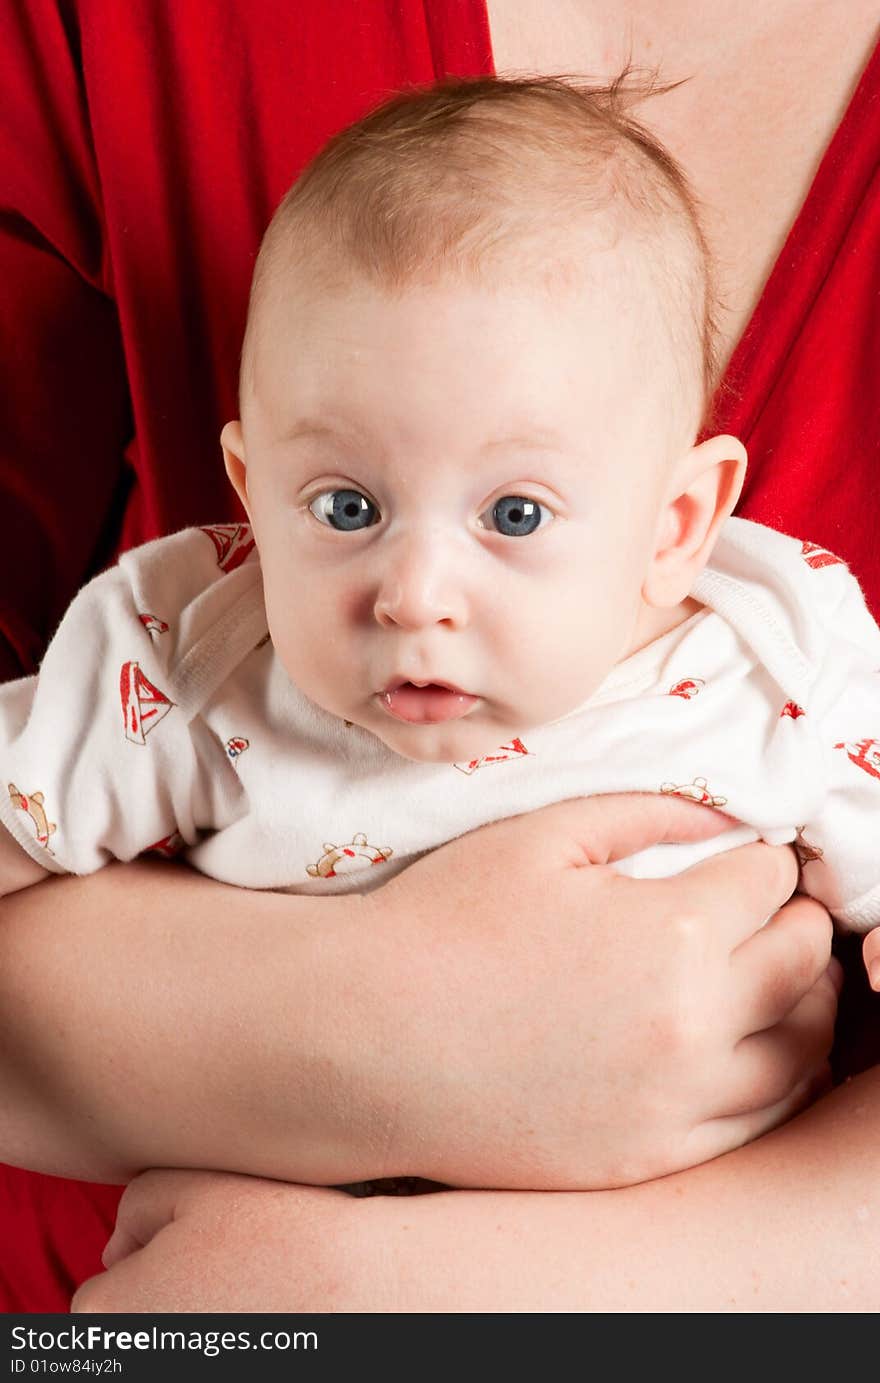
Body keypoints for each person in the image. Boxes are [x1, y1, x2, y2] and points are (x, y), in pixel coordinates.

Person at [2, 0, 879, 1314]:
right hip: (179, 1287)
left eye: (513, 518)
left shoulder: (771, 656)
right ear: (250, 488)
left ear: (678, 526)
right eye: (346, 508)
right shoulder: (191, 659)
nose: (413, 597)